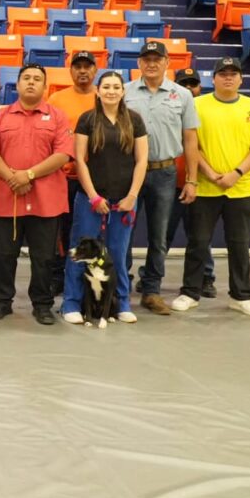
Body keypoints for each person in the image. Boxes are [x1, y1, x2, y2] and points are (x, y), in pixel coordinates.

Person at [170, 58, 250, 316]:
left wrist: (236, 173)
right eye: (222, 73)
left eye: (233, 73)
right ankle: (190, 292)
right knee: (198, 242)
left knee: (240, 243)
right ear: (213, 79)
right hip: (206, 187)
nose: (228, 77)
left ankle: (241, 295)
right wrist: (211, 173)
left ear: (241, 79)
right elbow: (191, 144)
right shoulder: (197, 104)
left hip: (242, 187)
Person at [0, 64, 74, 325]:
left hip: (46, 201)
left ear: (45, 87)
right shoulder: (1, 117)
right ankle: (1, 302)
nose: (31, 83)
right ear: (18, 84)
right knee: (3, 254)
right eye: (26, 78)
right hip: (7, 198)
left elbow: (62, 154)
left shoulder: (57, 116)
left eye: (37, 79)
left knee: (44, 257)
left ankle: (42, 304)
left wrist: (29, 175)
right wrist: (14, 177)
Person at [61, 70, 147, 324]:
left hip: (124, 201)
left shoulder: (135, 121)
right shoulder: (88, 119)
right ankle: (71, 304)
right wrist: (93, 197)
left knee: (118, 254)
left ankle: (121, 303)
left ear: (123, 91)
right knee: (80, 251)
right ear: (98, 91)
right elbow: (80, 160)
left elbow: (142, 160)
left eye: (116, 87)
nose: (111, 91)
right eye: (106, 86)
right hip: (92, 200)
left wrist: (132, 195)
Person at [123, 40, 200, 315]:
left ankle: (152, 290)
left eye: (157, 59)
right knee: (124, 232)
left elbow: (190, 140)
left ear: (167, 62)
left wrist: (191, 179)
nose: (152, 63)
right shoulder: (125, 92)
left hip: (166, 172)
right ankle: (122, 286)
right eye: (146, 59)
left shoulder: (182, 95)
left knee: (160, 235)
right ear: (139, 63)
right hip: (130, 172)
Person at [150, 67, 217, 296]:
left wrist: (197, 177)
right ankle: (150, 276)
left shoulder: (207, 111)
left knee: (200, 235)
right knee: (162, 234)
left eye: (193, 83)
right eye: (184, 83)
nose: (189, 88)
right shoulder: (168, 107)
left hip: (198, 183)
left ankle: (206, 277)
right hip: (170, 180)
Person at [47, 50, 98, 294]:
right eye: (78, 66)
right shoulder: (57, 99)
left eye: (88, 66)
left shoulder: (105, 97)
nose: (83, 71)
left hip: (96, 178)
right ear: (71, 71)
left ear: (95, 70)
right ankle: (58, 275)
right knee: (61, 229)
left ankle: (89, 274)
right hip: (63, 176)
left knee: (91, 230)